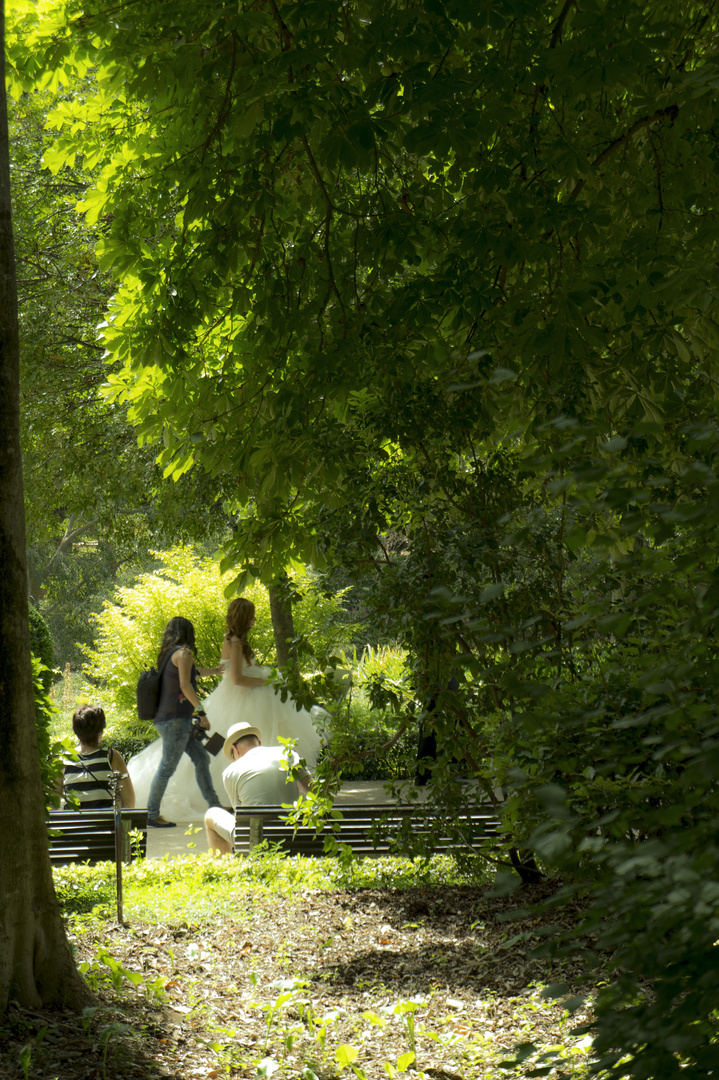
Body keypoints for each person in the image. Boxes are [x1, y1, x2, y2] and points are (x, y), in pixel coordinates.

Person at [128, 599, 324, 820]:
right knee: (223, 744)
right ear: (244, 618)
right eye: (252, 616)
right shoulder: (233, 643)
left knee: (214, 746)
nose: (255, 620)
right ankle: (234, 793)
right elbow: (238, 679)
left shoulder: (232, 640)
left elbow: (222, 671)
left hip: (230, 698)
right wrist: (268, 682)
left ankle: (235, 793)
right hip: (239, 699)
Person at [144, 616, 223, 828]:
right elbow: (186, 685)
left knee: (201, 758)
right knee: (167, 767)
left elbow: (193, 675)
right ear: (189, 632)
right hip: (175, 721)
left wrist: (215, 671)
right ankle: (151, 813)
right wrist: (201, 712)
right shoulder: (184, 653)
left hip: (173, 720)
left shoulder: (169, 653)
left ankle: (215, 805)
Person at [204, 721, 312, 854]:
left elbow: (240, 817)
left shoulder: (230, 772)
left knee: (211, 814)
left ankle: (227, 870)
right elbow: (315, 793)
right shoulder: (289, 754)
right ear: (259, 743)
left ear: (235, 749)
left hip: (256, 841)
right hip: (294, 835)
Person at [63, 704, 135, 808]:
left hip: (72, 824)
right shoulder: (112, 757)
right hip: (105, 824)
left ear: (76, 731)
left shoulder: (64, 760)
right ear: (100, 731)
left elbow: (52, 803)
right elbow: (129, 802)